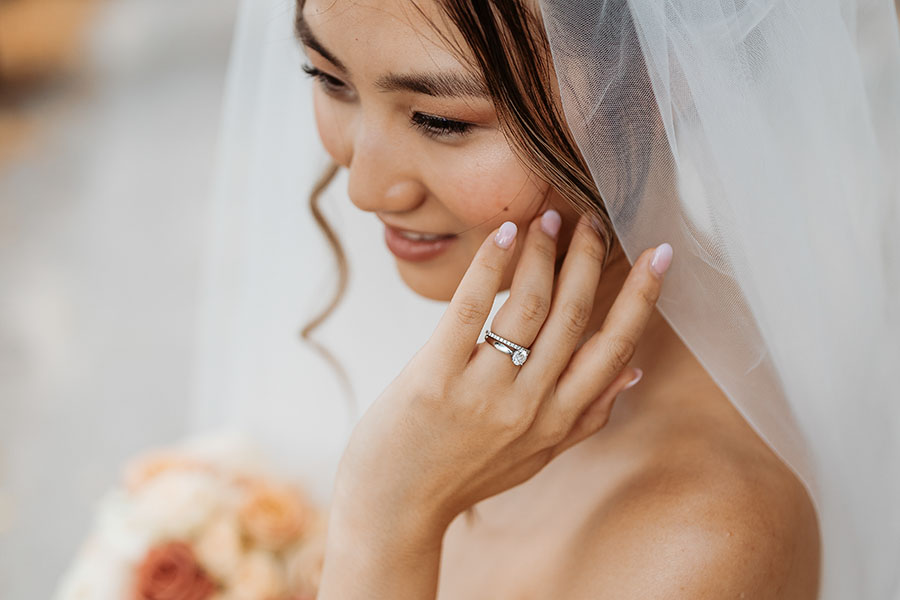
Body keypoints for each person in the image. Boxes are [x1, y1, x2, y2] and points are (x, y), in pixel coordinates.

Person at [199, 0, 900, 598]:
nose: (365, 189)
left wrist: (385, 518)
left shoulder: (699, 537)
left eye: (443, 120)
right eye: (328, 78)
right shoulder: (462, 383)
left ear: (659, 77)